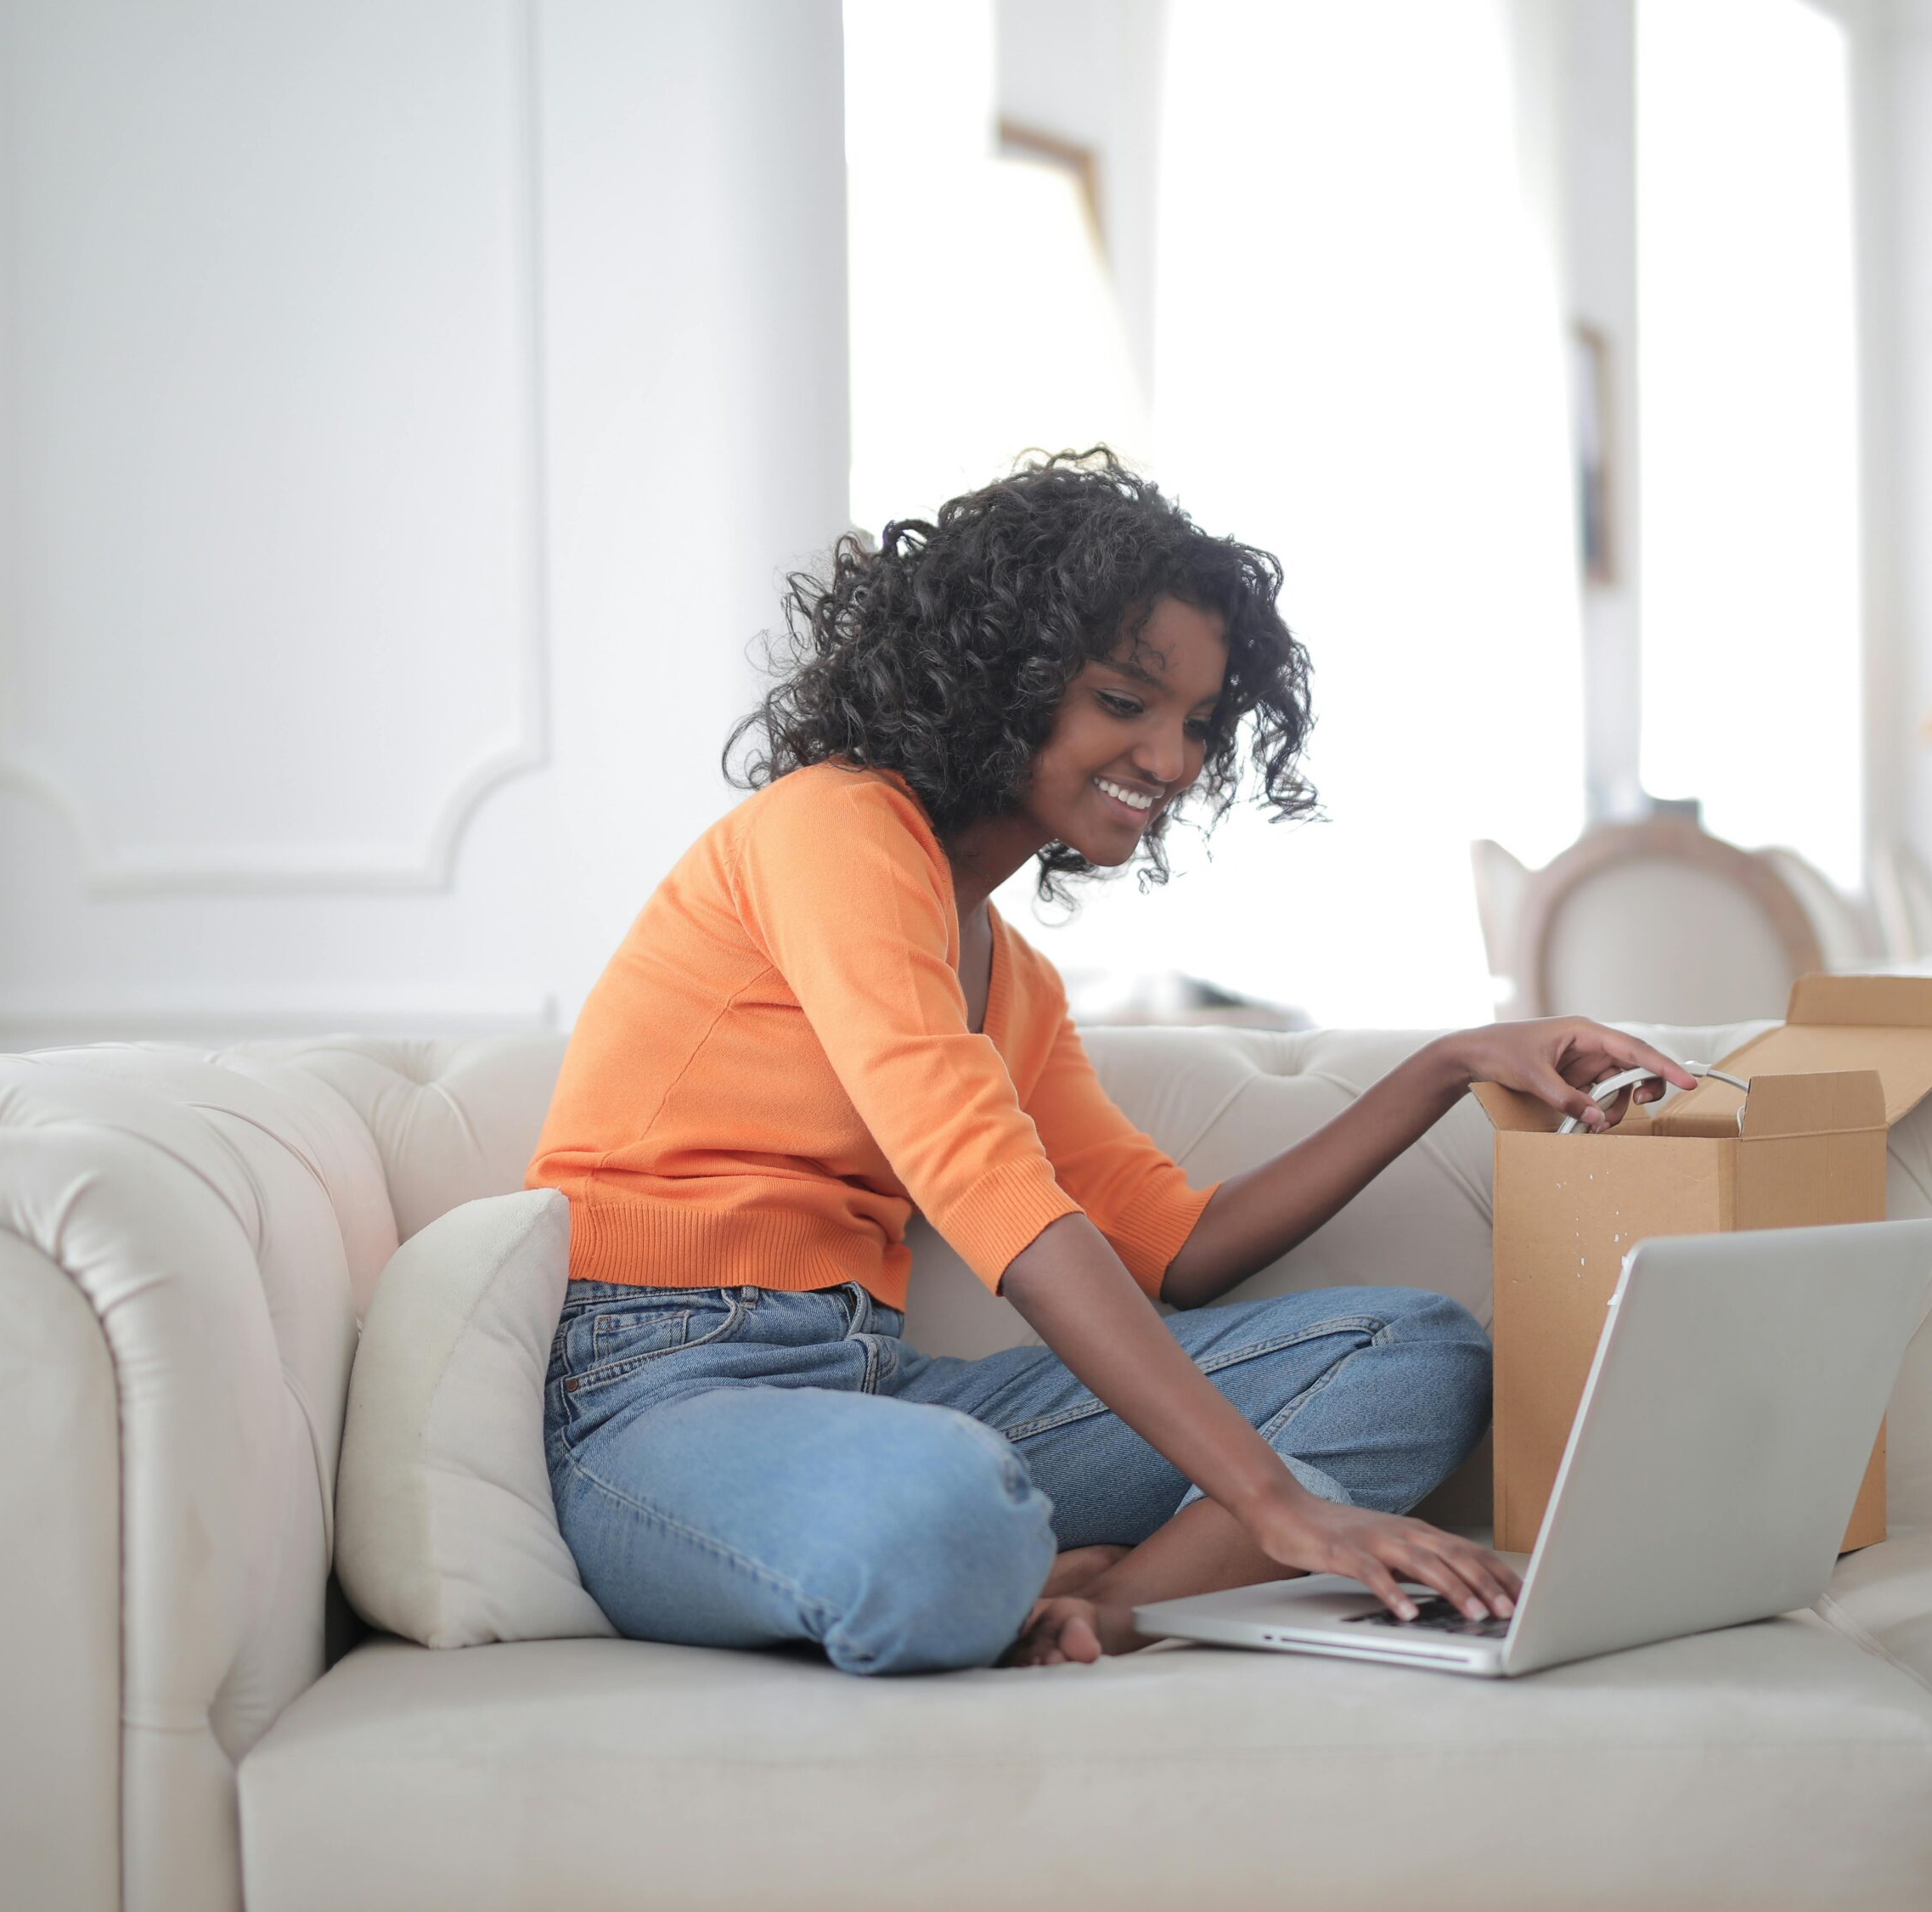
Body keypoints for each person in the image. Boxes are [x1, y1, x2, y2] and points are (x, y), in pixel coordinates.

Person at [527, 452, 1691, 1675]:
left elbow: (1180, 1248)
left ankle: (1112, 1606)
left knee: (1414, 1353)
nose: (1175, 759)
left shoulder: (1012, 978)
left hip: (864, 1383)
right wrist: (1269, 1500)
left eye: (1197, 721)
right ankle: (1039, 1554)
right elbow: (994, 1192)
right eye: (1125, 702)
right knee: (943, 1510)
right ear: (1001, 678)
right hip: (656, 1399)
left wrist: (1445, 1064)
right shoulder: (833, 824)